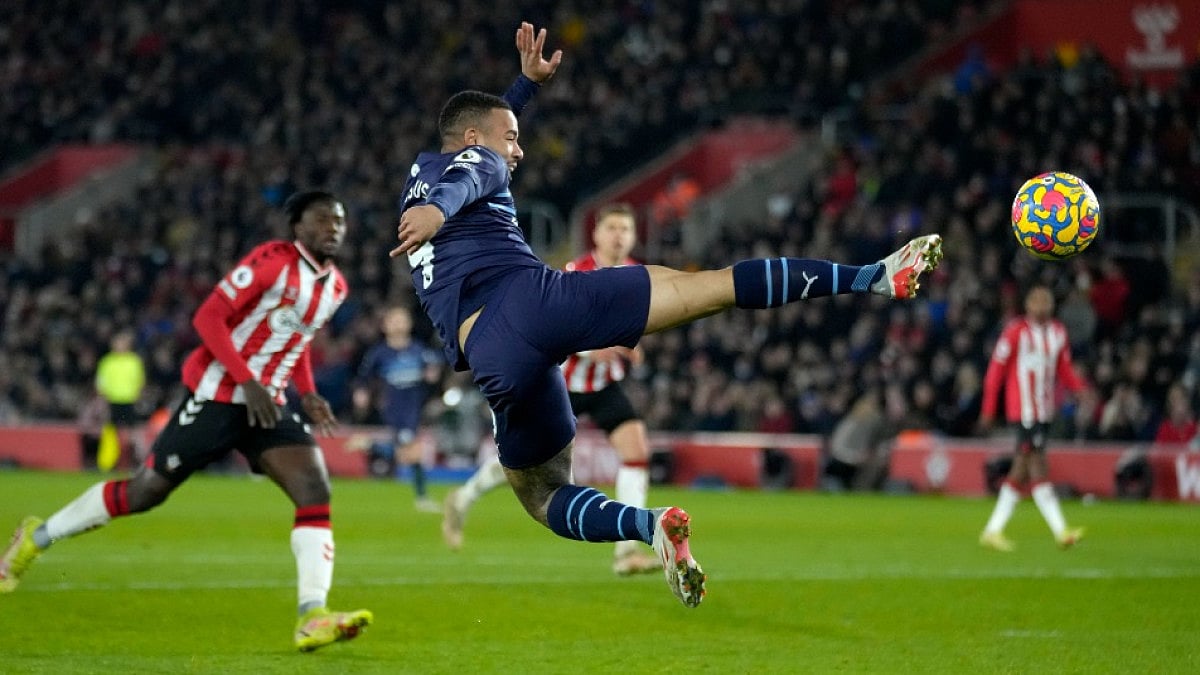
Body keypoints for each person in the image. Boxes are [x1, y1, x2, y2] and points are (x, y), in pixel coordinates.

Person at [390, 22, 942, 608]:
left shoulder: (419, 174)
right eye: (513, 137)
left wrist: (522, 88)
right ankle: (873, 277)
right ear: (475, 137)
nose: (519, 150)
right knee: (712, 287)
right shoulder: (472, 167)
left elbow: (468, 156)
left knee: (543, 494)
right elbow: (476, 170)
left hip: (492, 355)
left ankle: (650, 526)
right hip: (535, 302)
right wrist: (439, 211)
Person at [0, 191, 373, 652]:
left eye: (338, 221)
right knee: (145, 492)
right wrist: (246, 380)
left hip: (268, 405)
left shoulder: (335, 287)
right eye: (321, 220)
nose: (332, 228)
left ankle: (311, 614)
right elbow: (208, 317)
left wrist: (309, 390)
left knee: (314, 490)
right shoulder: (271, 261)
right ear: (297, 226)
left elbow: (294, 342)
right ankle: (35, 538)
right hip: (220, 394)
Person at [442, 203, 661, 576]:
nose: (619, 236)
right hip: (560, 382)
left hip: (603, 385)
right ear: (596, 234)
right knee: (527, 465)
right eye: (612, 228)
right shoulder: (577, 273)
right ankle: (462, 498)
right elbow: (556, 328)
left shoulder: (635, 275)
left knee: (636, 449)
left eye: (626, 229)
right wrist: (604, 347)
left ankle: (626, 554)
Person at [978, 285, 1087, 552]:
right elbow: (996, 371)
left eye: (1046, 301)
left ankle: (993, 531)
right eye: (1036, 301)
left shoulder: (1058, 332)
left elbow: (1063, 367)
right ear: (1027, 305)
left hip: (1044, 410)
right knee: (1037, 465)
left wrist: (1079, 389)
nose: (1041, 306)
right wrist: (989, 409)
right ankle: (1061, 532)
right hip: (1023, 410)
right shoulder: (1015, 332)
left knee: (1021, 469)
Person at [353, 305, 443, 511]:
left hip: (415, 406)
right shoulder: (379, 353)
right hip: (395, 408)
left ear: (409, 324)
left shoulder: (418, 350)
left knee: (410, 453)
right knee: (412, 453)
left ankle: (371, 446)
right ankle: (422, 499)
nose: (399, 324)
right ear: (385, 326)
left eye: (402, 320)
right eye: (394, 320)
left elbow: (433, 370)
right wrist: (362, 393)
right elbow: (363, 378)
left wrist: (432, 375)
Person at [95, 329, 146, 468]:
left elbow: (140, 381)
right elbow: (101, 382)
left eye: (122, 342)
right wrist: (102, 400)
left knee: (133, 433)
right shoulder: (107, 361)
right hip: (112, 401)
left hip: (130, 400)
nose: (119, 345)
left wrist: (138, 397)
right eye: (117, 342)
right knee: (110, 432)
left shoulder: (134, 361)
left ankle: (139, 461)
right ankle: (107, 462)